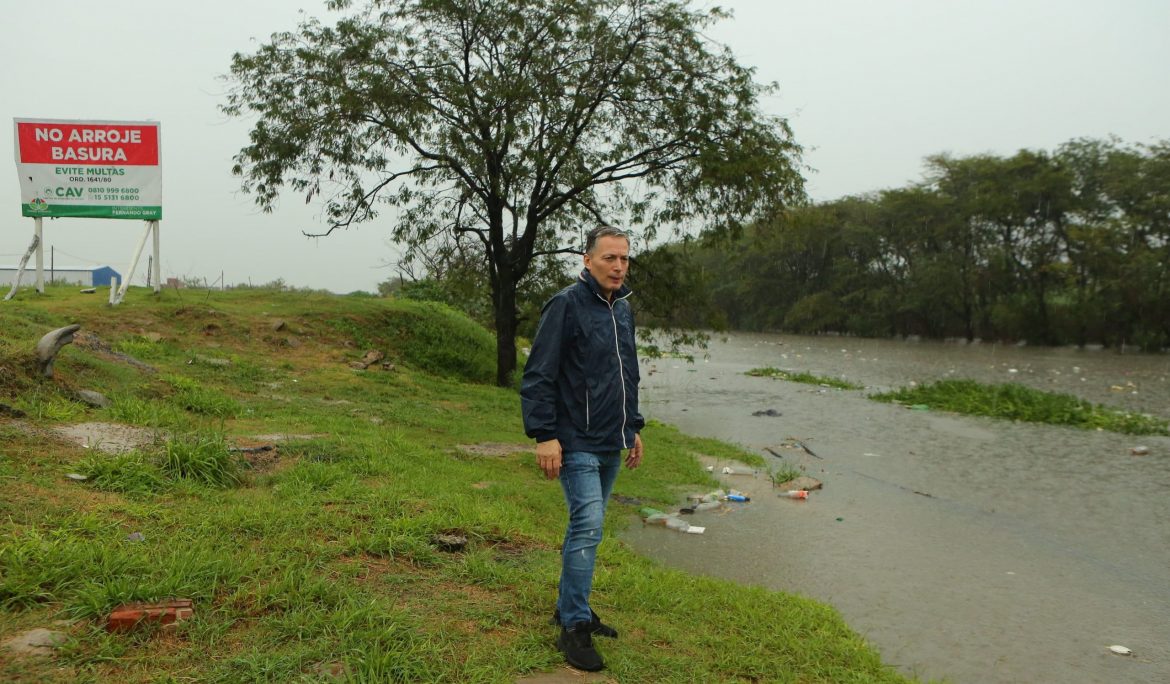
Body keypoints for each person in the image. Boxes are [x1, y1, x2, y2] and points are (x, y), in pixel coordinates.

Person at [520, 225, 645, 672]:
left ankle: (572, 607)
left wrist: (632, 427)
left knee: (588, 528)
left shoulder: (623, 310)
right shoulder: (566, 305)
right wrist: (544, 435)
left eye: (624, 259)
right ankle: (573, 626)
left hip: (612, 440)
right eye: (609, 258)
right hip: (574, 441)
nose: (618, 266)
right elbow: (539, 374)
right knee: (588, 525)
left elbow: (626, 373)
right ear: (587, 260)